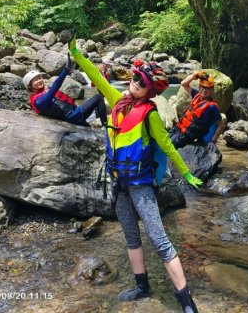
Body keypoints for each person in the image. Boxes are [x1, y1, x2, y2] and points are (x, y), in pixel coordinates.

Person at [69, 36, 202, 313]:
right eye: (136, 78)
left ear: (151, 91)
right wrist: (77, 55)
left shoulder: (149, 114)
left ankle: (185, 300)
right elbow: (97, 77)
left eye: (143, 83)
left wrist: (187, 174)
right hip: (119, 184)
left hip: (141, 186)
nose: (136, 84)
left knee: (160, 240)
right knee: (131, 236)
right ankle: (142, 286)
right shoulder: (118, 101)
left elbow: (168, 146)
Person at [23, 65, 107, 126]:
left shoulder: (43, 93)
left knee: (89, 127)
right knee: (98, 98)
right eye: (35, 80)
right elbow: (56, 86)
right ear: (29, 86)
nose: (39, 81)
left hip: (73, 115)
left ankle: (99, 123)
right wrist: (65, 71)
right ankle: (105, 126)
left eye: (39, 78)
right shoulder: (39, 101)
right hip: (74, 116)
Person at [169, 71, 224, 149]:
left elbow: (221, 125)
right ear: (199, 87)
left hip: (187, 134)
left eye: (208, 88)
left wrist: (213, 140)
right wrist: (195, 75)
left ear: (212, 91)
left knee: (167, 146)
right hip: (179, 127)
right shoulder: (196, 94)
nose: (205, 90)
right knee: (162, 140)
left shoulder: (212, 107)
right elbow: (183, 84)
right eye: (203, 87)